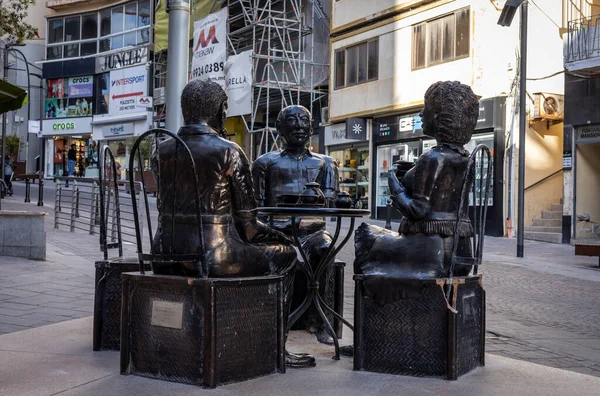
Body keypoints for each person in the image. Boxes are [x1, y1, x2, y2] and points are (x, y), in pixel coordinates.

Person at [151, 79, 311, 367]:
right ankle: (274, 345)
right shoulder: (229, 150)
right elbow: (249, 227)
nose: (225, 116)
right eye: (224, 109)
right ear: (217, 111)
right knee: (286, 255)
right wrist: (281, 237)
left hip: (163, 251)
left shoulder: (161, 150)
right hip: (214, 255)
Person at [353, 81, 479, 304]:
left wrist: (393, 182)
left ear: (438, 117)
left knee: (366, 237)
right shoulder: (466, 158)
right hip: (461, 251)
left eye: (426, 108)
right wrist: (411, 173)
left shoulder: (432, 157)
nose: (421, 113)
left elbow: (417, 210)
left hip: (429, 249)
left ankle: (382, 322)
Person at [252, 105, 339, 345]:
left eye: (304, 121)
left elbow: (332, 203)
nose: (299, 126)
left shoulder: (326, 163)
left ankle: (323, 319)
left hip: (313, 233)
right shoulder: (265, 163)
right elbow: (256, 208)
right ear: (280, 128)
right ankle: (270, 319)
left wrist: (318, 199)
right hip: (275, 232)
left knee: (326, 249)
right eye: (292, 121)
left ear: (312, 127)